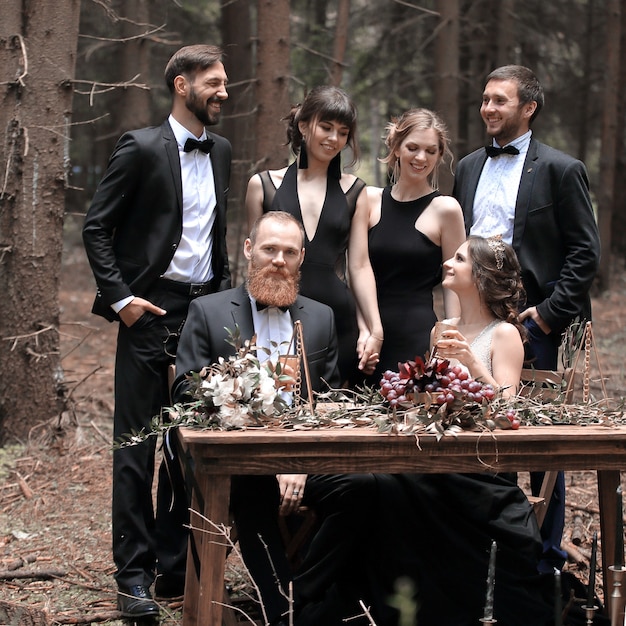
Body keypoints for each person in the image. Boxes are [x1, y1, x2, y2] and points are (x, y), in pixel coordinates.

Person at [82, 45, 231, 618]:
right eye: (213, 83)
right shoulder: (140, 147)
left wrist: (219, 304)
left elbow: (214, 237)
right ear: (180, 84)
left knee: (190, 445)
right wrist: (122, 301)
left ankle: (175, 565)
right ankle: (134, 576)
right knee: (137, 448)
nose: (223, 92)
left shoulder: (220, 150)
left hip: (203, 315)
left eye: (224, 83)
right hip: (149, 310)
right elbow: (97, 228)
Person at [173, 211, 377, 626]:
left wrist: (298, 461)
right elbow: (184, 393)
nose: (278, 260)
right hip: (237, 460)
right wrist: (239, 407)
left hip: (308, 458)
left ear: (302, 257)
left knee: (367, 488)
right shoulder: (208, 311)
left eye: (289, 251)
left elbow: (330, 400)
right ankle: (280, 614)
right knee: (253, 490)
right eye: (269, 249)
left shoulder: (320, 318)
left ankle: (302, 597)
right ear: (250, 250)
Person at [452, 64, 601, 571]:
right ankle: (489, 553)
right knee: (478, 431)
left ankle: (544, 562)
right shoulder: (469, 166)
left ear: (529, 108)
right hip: (479, 325)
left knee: (540, 450)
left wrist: (548, 316)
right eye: (485, 99)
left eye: (500, 100)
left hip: (537, 327)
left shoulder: (562, 169)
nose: (488, 108)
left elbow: (585, 253)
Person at [371, 236, 554, 626]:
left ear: (482, 275)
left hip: (482, 469)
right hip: (436, 456)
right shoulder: (442, 328)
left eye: (459, 259)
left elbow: (508, 411)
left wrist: (472, 361)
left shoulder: (504, 334)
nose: (448, 263)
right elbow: (431, 396)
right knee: (381, 482)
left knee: (398, 486)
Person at [246, 85, 383, 386]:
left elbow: (358, 266)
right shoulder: (263, 185)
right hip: (276, 312)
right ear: (304, 125)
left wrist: (372, 329)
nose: (334, 139)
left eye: (343, 132)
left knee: (336, 413)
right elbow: (253, 262)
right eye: (326, 127)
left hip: (338, 318)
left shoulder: (355, 191)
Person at [365, 108, 466, 380]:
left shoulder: (446, 209)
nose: (421, 158)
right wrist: (365, 329)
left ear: (439, 155)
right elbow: (356, 268)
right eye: (413, 147)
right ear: (396, 148)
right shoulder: (369, 200)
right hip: (368, 333)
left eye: (431, 151)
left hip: (416, 335)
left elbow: (455, 279)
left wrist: (449, 335)